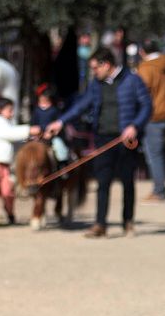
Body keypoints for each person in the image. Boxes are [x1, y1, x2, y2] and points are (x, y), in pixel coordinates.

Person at [45, 47, 151, 238]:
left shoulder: (132, 80)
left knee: (127, 181)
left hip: (126, 138)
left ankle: (128, 222)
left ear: (106, 65)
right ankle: (100, 224)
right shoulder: (96, 84)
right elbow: (81, 105)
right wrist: (60, 121)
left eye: (95, 68)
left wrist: (135, 126)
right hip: (102, 137)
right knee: (103, 181)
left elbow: (147, 106)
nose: (94, 72)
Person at [0, 96, 35, 229]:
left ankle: (10, 214)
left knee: (8, 191)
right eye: (9, 110)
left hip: (4, 164)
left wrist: (30, 136)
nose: (12, 113)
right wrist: (29, 130)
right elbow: (9, 134)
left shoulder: (4, 122)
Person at [136, 43, 165, 202]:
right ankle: (159, 188)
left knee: (154, 155)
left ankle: (159, 191)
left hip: (153, 116)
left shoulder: (146, 68)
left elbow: (140, 94)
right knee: (159, 152)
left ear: (142, 51)